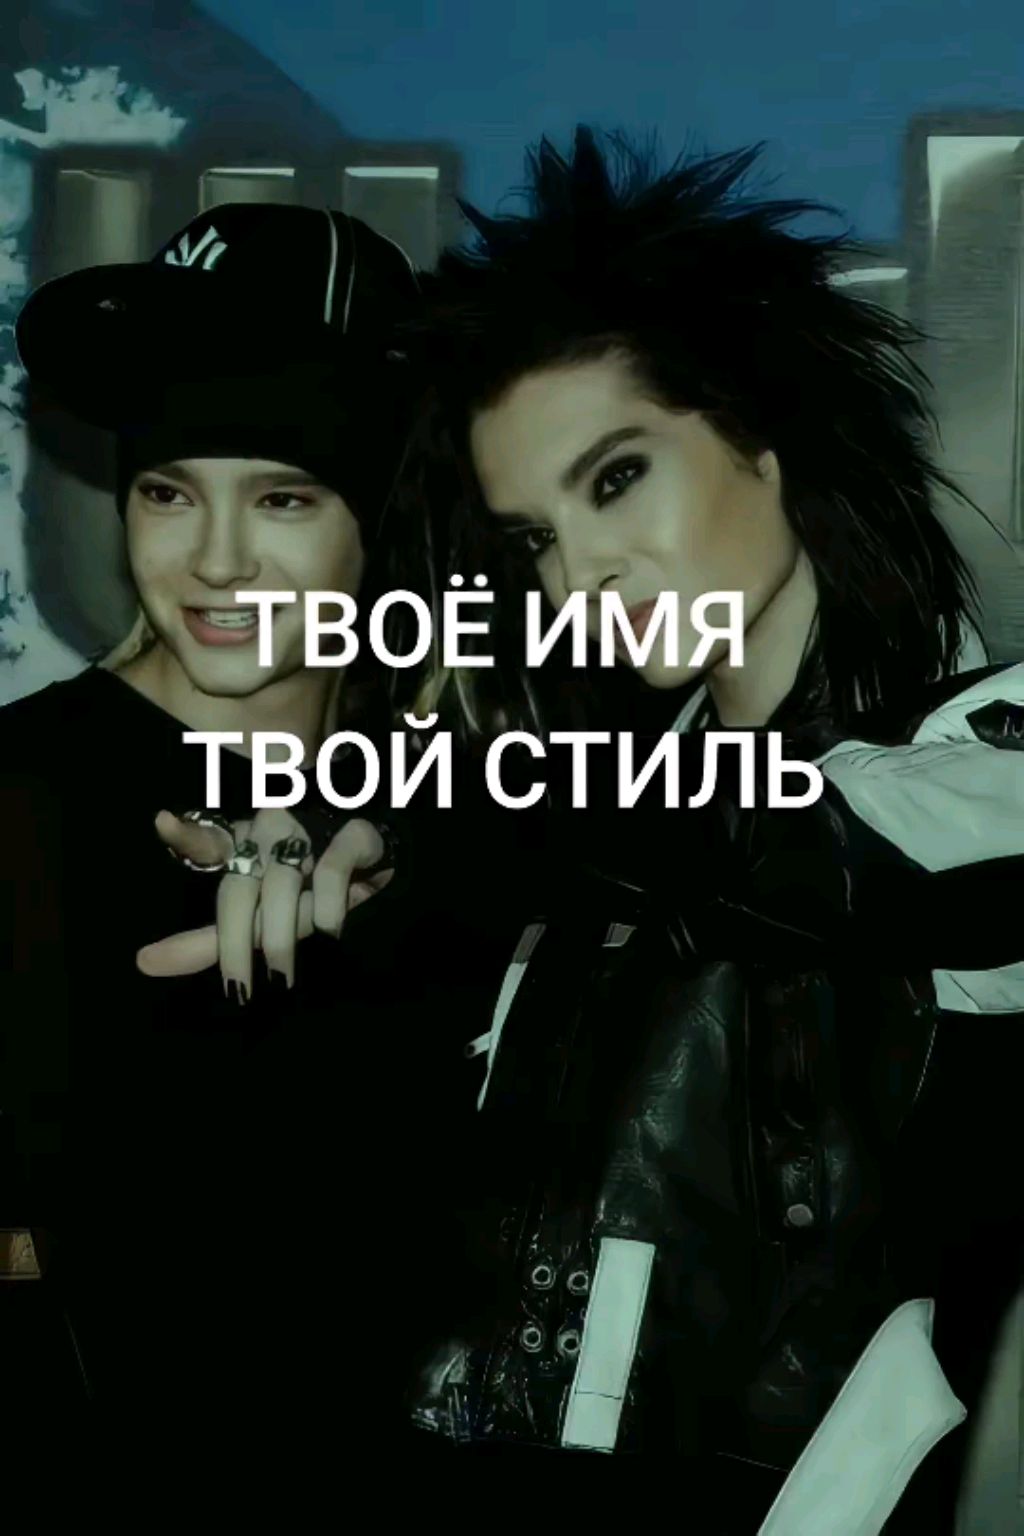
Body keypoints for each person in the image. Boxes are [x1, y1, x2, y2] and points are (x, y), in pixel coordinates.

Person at [141, 130, 1023, 1524]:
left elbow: (818, 849)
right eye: (535, 538)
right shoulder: (588, 856)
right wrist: (353, 844)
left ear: (765, 445)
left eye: (616, 479)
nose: (582, 571)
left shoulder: (973, 757)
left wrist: (418, 815)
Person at [0, 201, 506, 1443]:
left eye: (283, 498)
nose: (216, 560)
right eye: (168, 491)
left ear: (379, 521)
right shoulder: (22, 795)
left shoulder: (468, 813)